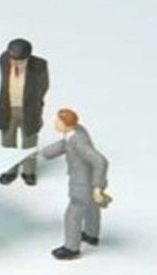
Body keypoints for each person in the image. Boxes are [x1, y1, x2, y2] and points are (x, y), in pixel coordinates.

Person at [39, 109, 111, 260]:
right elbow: (64, 145)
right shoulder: (77, 131)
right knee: (91, 208)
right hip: (87, 181)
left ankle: (71, 248)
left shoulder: (78, 141)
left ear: (66, 124)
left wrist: (97, 187)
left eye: (58, 121)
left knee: (72, 215)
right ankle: (91, 235)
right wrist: (43, 152)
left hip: (81, 183)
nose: (55, 123)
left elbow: (100, 161)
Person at [0, 38, 49, 185]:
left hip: (29, 111)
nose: (15, 63)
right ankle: (10, 170)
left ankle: (29, 172)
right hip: (8, 110)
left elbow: (44, 86)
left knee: (29, 144)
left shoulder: (40, 66)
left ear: (28, 58)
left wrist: (36, 104)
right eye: (12, 59)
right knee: (7, 143)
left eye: (19, 61)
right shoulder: (4, 60)